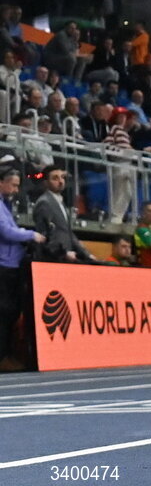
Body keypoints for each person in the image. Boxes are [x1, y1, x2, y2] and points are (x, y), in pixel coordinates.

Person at [0, 158, 46, 368]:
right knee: (4, 312)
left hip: (11, 264)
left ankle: (6, 354)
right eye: (14, 185)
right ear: (1, 182)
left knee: (10, 312)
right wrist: (31, 235)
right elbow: (6, 232)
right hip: (3, 266)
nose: (17, 189)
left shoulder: (5, 205)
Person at [33, 167, 97, 263]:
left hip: (64, 258)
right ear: (45, 183)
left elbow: (68, 233)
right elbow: (44, 236)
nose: (61, 181)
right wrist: (63, 254)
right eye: (55, 178)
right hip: (51, 260)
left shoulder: (60, 202)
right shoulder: (44, 203)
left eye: (62, 177)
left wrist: (87, 254)